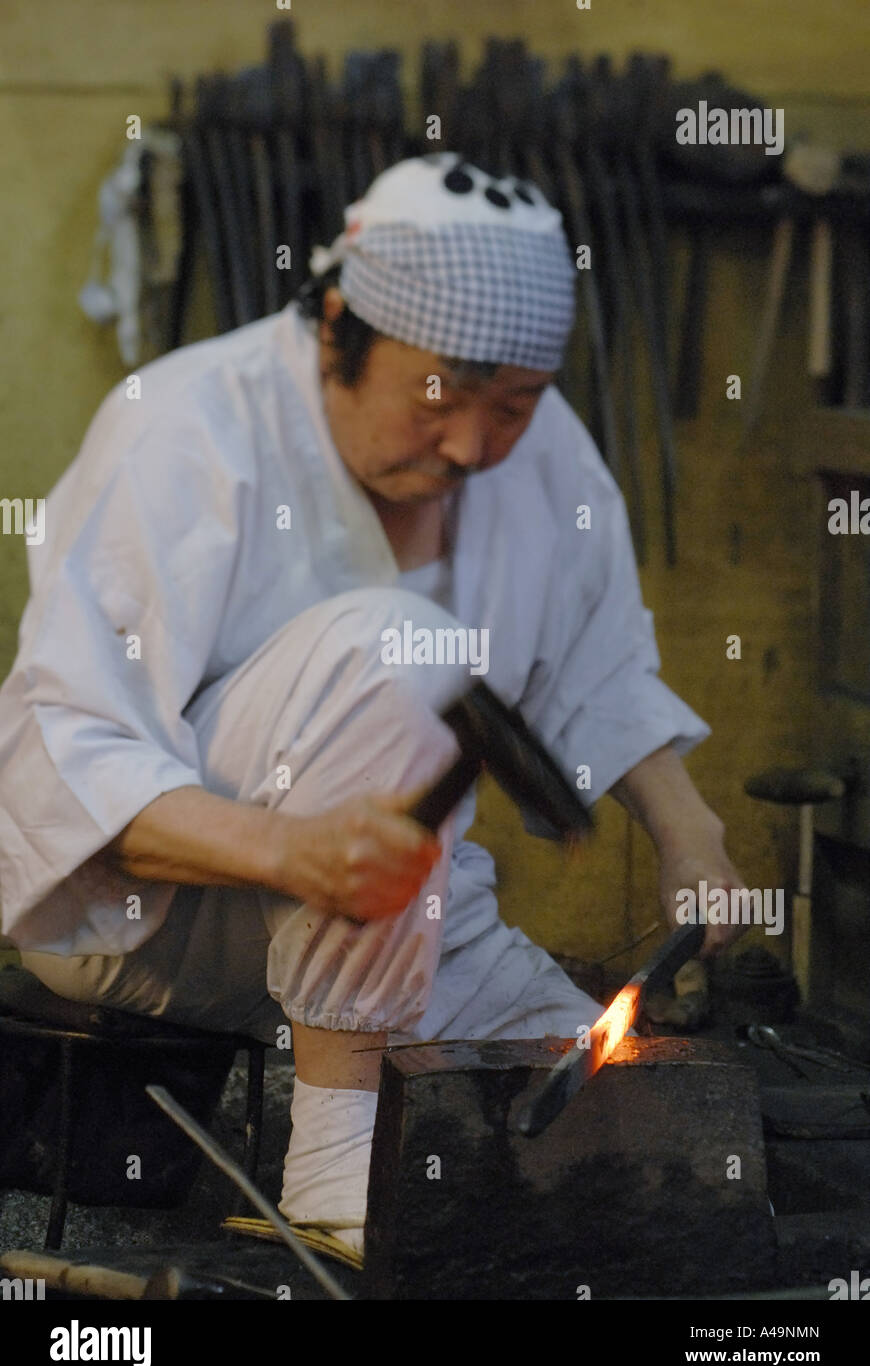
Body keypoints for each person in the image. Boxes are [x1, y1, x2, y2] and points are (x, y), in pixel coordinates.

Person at [0, 153, 746, 1260]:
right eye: (442, 396)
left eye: (515, 405)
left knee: (604, 1107)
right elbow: (59, 755)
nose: (472, 447)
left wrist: (693, 836)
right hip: (157, 922)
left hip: (404, 914)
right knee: (402, 646)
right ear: (340, 327)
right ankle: (335, 1167)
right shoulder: (190, 428)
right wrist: (288, 850)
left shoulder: (539, 452)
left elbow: (596, 669)